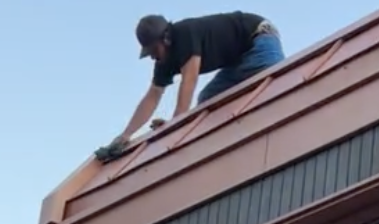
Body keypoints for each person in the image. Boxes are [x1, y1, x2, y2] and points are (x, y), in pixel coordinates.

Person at [108, 11, 285, 150]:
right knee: (207, 101)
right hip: (237, 61)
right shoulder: (163, 61)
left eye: (154, 50)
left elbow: (189, 80)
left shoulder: (185, 34)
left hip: (260, 40)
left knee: (272, 85)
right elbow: (153, 96)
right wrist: (126, 135)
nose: (153, 56)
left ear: (166, 38)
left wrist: (177, 124)